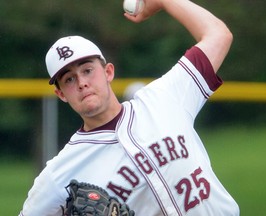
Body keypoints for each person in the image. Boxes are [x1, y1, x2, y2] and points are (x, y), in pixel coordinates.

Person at [19, 0, 239, 215]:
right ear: (61, 95)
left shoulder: (164, 98)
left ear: (108, 72)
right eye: (69, 79)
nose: (82, 83)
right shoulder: (61, 173)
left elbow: (218, 35)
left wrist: (165, 1)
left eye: (87, 70)